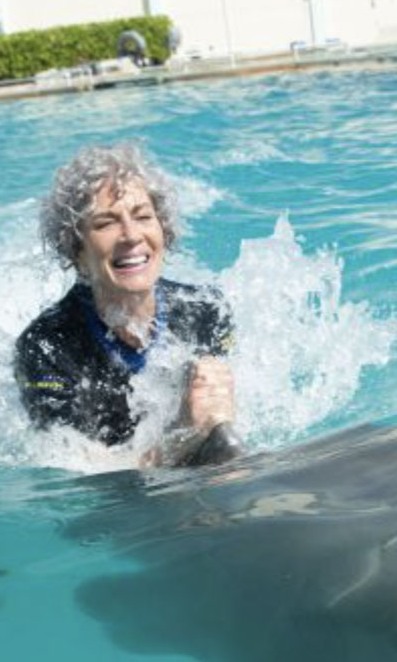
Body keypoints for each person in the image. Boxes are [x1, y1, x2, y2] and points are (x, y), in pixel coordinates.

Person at [15, 143, 242, 468]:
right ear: (76, 250)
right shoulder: (47, 349)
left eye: (143, 216)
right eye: (106, 223)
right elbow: (91, 472)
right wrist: (186, 433)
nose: (131, 235)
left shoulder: (206, 310)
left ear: (163, 231)